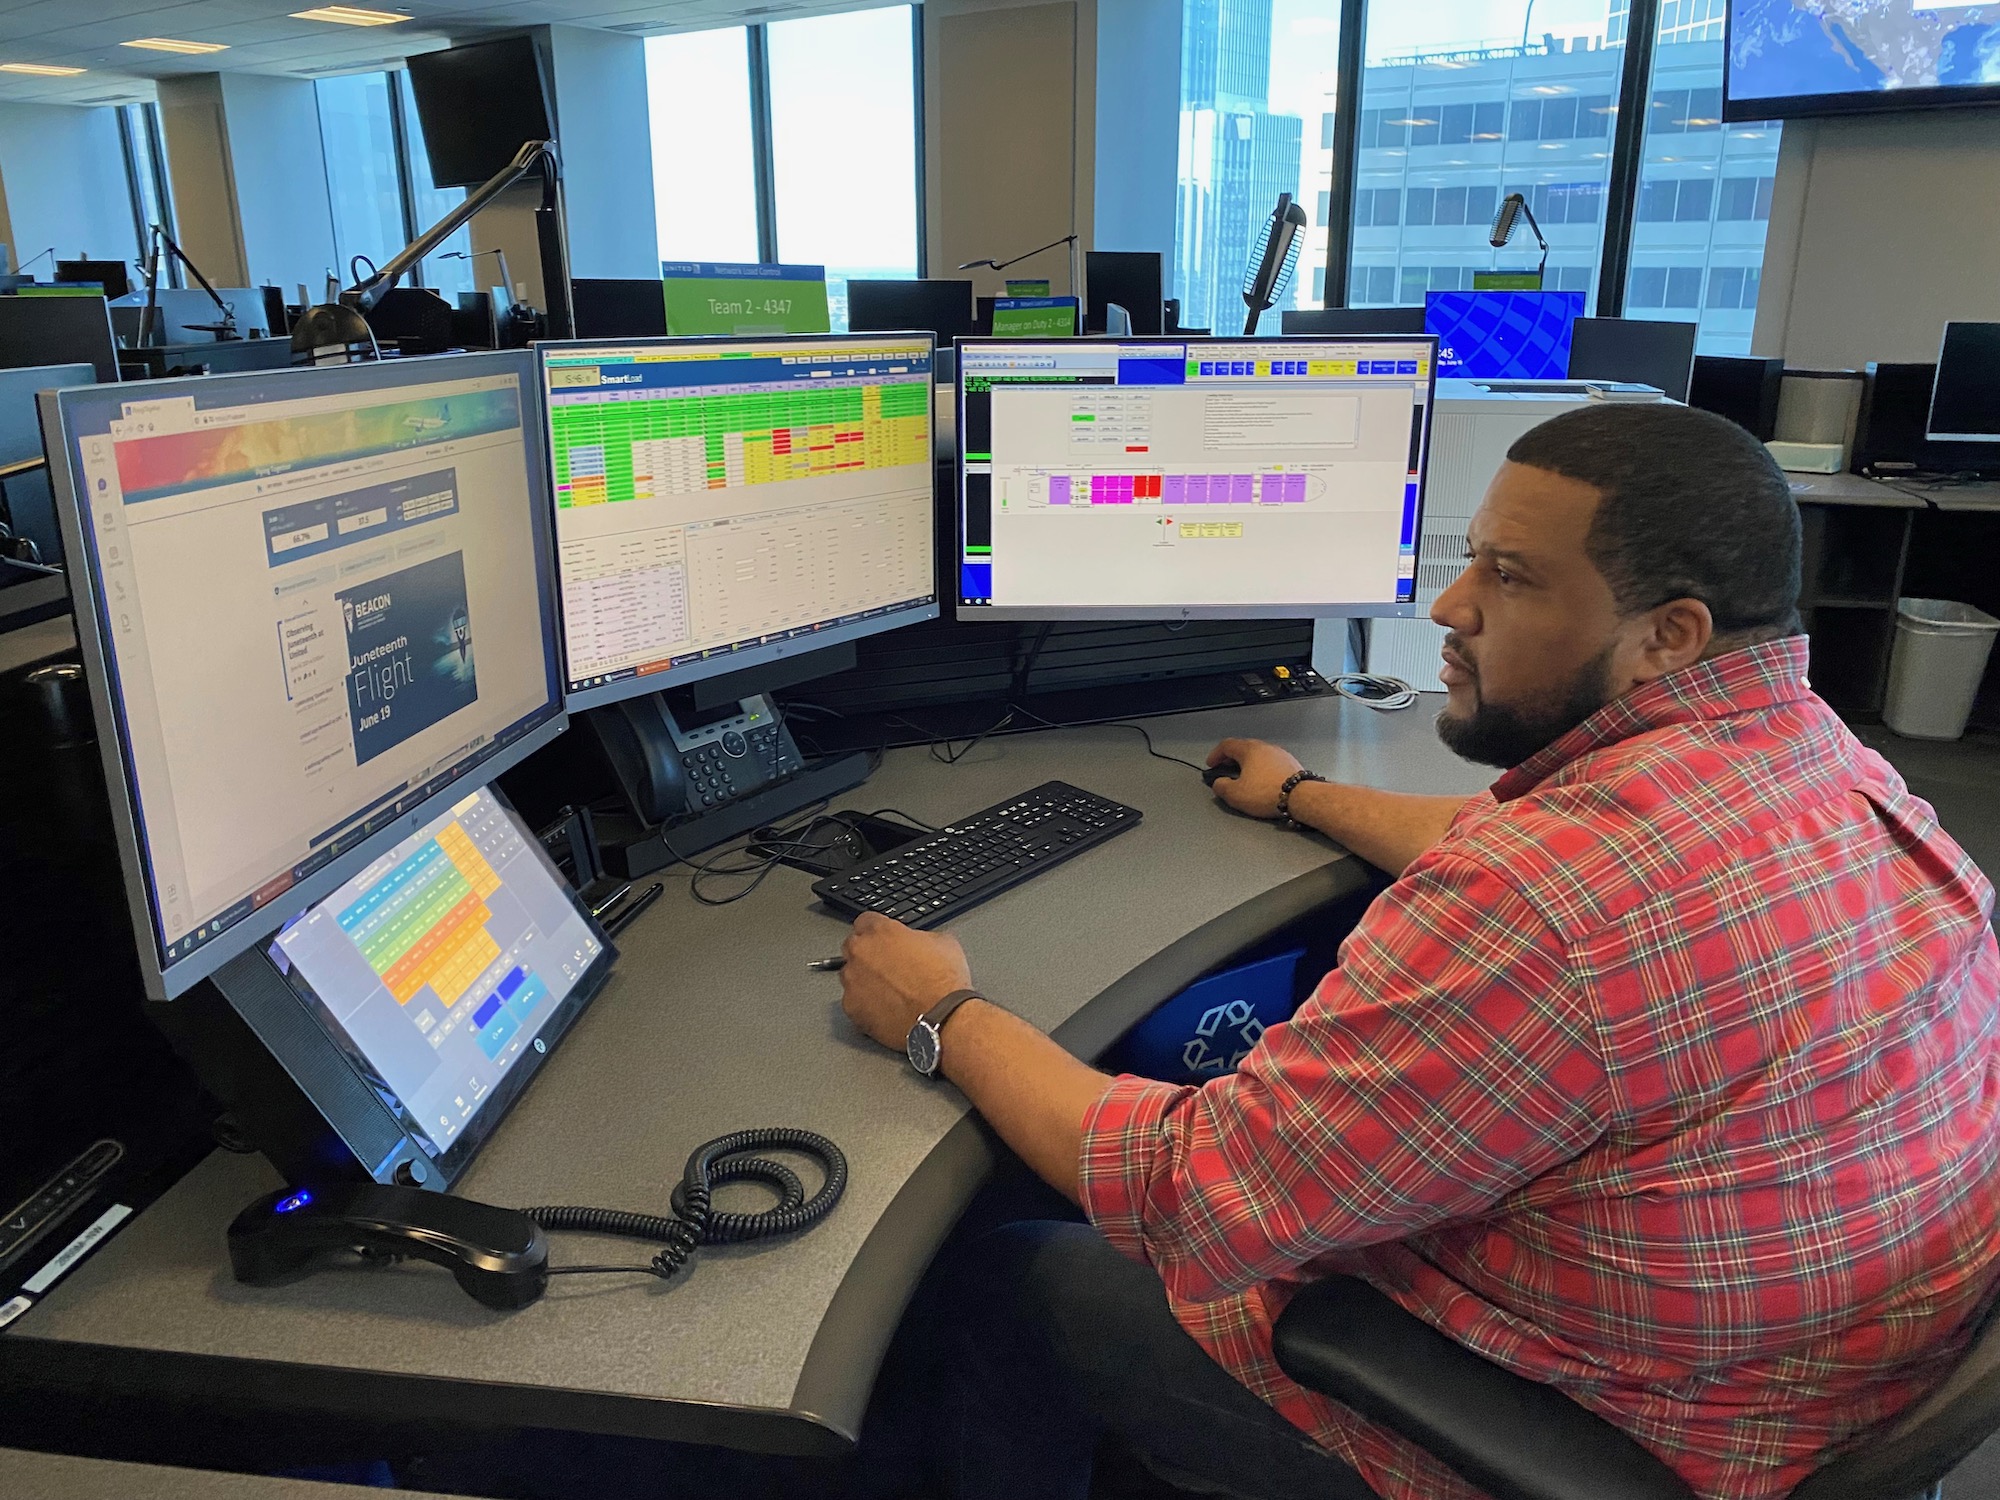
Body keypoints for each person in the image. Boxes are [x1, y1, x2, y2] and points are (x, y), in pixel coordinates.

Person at [835, 403, 2000, 1500]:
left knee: (995, 1281)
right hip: (1828, 1368)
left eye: (1509, 576)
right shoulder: (1820, 763)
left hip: (1609, 1437)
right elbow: (1508, 843)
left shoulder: (1543, 901)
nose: (1449, 606)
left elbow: (1185, 1192)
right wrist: (1305, 796)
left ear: (1664, 635)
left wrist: (944, 1013)